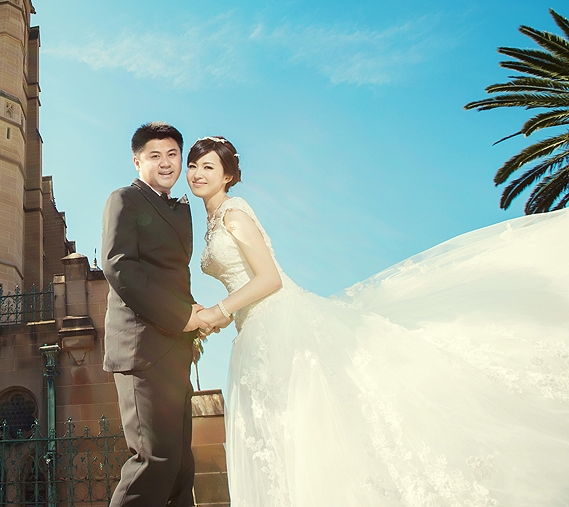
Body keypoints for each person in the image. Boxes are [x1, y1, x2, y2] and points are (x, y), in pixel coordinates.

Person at [185, 135, 569, 505]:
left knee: (304, 424)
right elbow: (245, 281)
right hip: (252, 327)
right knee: (282, 432)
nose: (198, 173)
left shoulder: (235, 215)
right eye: (193, 165)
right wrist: (222, 317)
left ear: (228, 175)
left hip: (278, 323)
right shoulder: (213, 219)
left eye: (208, 166)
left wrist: (218, 311)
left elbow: (270, 279)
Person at [101, 122, 211, 507]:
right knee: (155, 462)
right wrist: (183, 316)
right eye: (155, 155)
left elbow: (170, 276)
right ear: (137, 162)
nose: (166, 163)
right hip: (142, 348)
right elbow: (118, 267)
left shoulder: (177, 210)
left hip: (175, 350)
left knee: (180, 468)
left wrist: (192, 312)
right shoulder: (124, 199)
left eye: (172, 154)